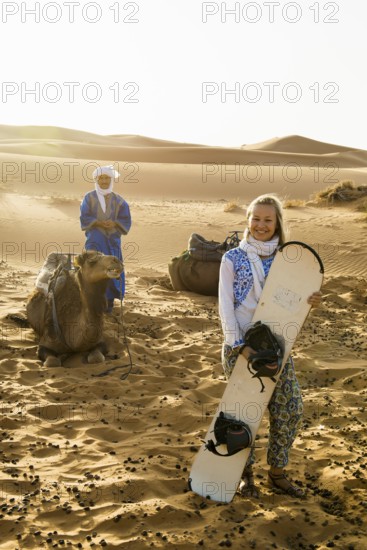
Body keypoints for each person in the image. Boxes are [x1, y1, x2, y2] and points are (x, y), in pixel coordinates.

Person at [218, 194, 322, 498]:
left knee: (290, 407)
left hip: (276, 350)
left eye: (268, 219)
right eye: (256, 218)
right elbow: (225, 306)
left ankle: (277, 474)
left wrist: (312, 302)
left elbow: (295, 302)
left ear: (277, 223)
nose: (261, 225)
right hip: (240, 348)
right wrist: (239, 347)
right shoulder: (232, 259)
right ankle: (244, 475)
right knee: (242, 416)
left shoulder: (289, 260)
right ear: (248, 220)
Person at [80, 165, 132, 313]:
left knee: (112, 269)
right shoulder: (89, 198)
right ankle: (91, 302)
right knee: (94, 270)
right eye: (101, 178)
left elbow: (126, 219)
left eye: (106, 178)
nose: (103, 181)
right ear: (97, 180)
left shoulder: (119, 200)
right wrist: (97, 222)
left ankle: (108, 304)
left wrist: (114, 223)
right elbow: (84, 216)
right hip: (95, 242)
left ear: (111, 179)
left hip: (112, 242)